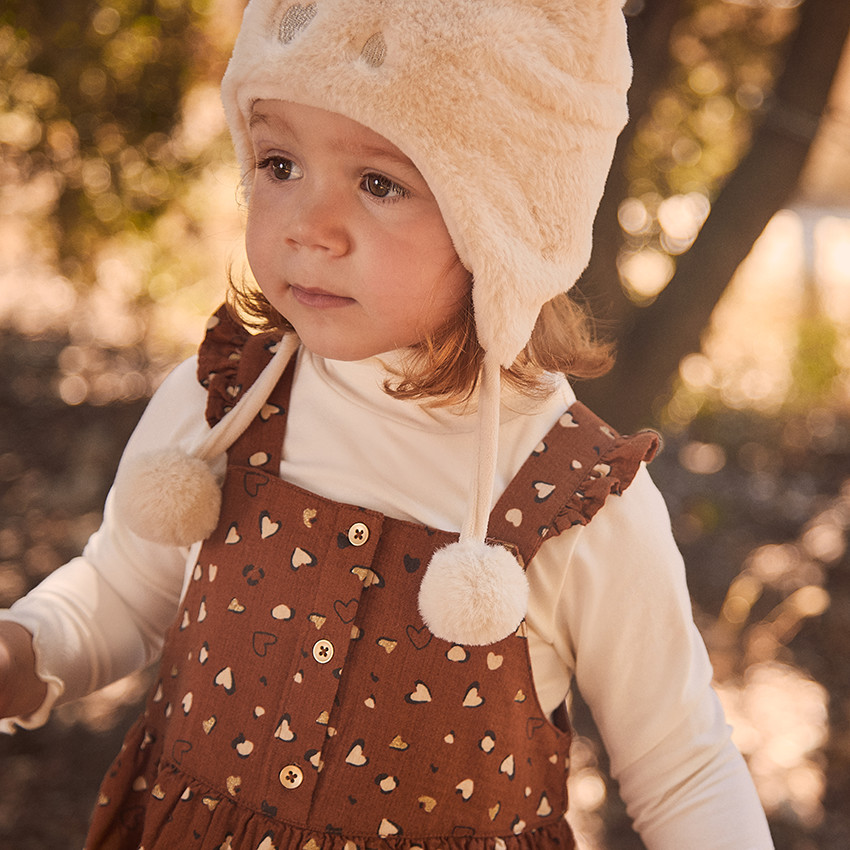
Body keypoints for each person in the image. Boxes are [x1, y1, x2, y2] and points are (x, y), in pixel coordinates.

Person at [0, 0, 775, 847]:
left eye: (380, 183)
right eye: (280, 162)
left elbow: (684, 769)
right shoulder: (220, 404)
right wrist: (25, 649)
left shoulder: (573, 500)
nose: (309, 228)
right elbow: (118, 593)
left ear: (505, 222)